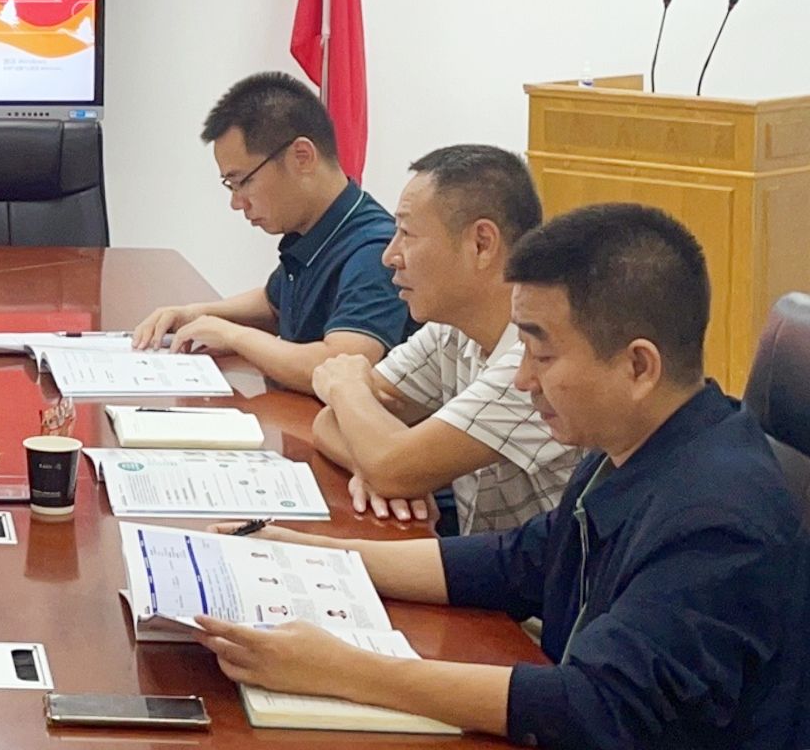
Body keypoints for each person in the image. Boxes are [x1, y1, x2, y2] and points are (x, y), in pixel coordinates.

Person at [191, 204, 807, 749]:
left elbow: (594, 705)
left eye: (543, 354)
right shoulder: (632, 448)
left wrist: (341, 670)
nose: (522, 379)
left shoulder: (718, 518)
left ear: (639, 366)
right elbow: (519, 562)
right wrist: (303, 551)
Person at [310, 145, 580, 531]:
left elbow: (388, 460)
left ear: (481, 244)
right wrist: (375, 465)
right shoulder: (451, 330)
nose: (390, 256)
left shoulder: (534, 360)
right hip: (478, 557)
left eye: (406, 233)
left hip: (536, 570)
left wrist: (346, 385)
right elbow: (330, 423)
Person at [132, 71, 410, 390]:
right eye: (230, 186)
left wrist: (232, 335)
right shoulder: (314, 230)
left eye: (243, 182)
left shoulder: (375, 252)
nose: (237, 203)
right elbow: (275, 305)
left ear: (302, 157)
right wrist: (196, 314)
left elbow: (337, 366)